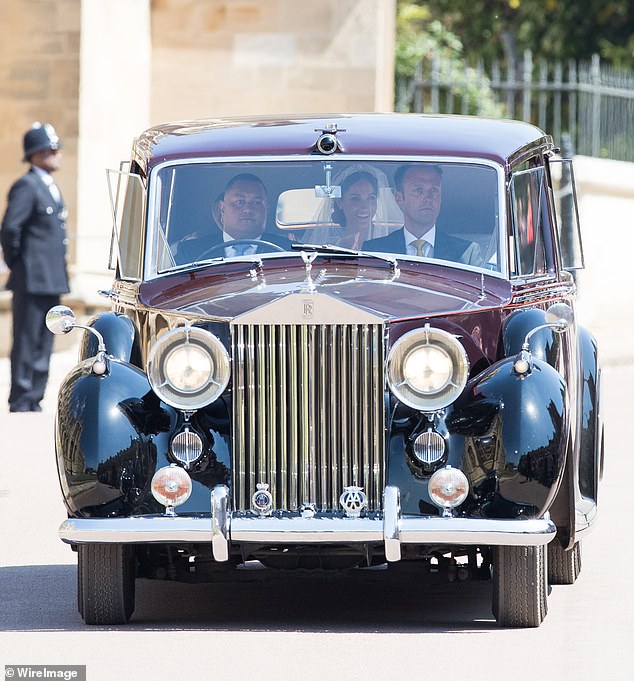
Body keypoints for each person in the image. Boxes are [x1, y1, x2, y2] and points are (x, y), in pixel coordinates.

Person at [0, 122, 70, 412]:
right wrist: (19, 264)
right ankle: (21, 397)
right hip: (30, 277)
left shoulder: (50, 187)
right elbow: (10, 229)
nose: (56, 154)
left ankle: (36, 396)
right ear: (37, 153)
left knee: (45, 340)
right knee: (27, 340)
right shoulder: (27, 186)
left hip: (52, 277)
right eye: (51, 149)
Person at [362, 163, 482, 265]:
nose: (428, 198)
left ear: (440, 197)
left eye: (434, 190)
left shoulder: (467, 254)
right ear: (399, 198)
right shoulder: (374, 252)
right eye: (418, 190)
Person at [175, 173, 291, 262]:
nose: (248, 209)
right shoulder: (191, 252)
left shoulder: (288, 252)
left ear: (267, 209)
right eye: (239, 202)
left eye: (256, 202)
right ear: (222, 207)